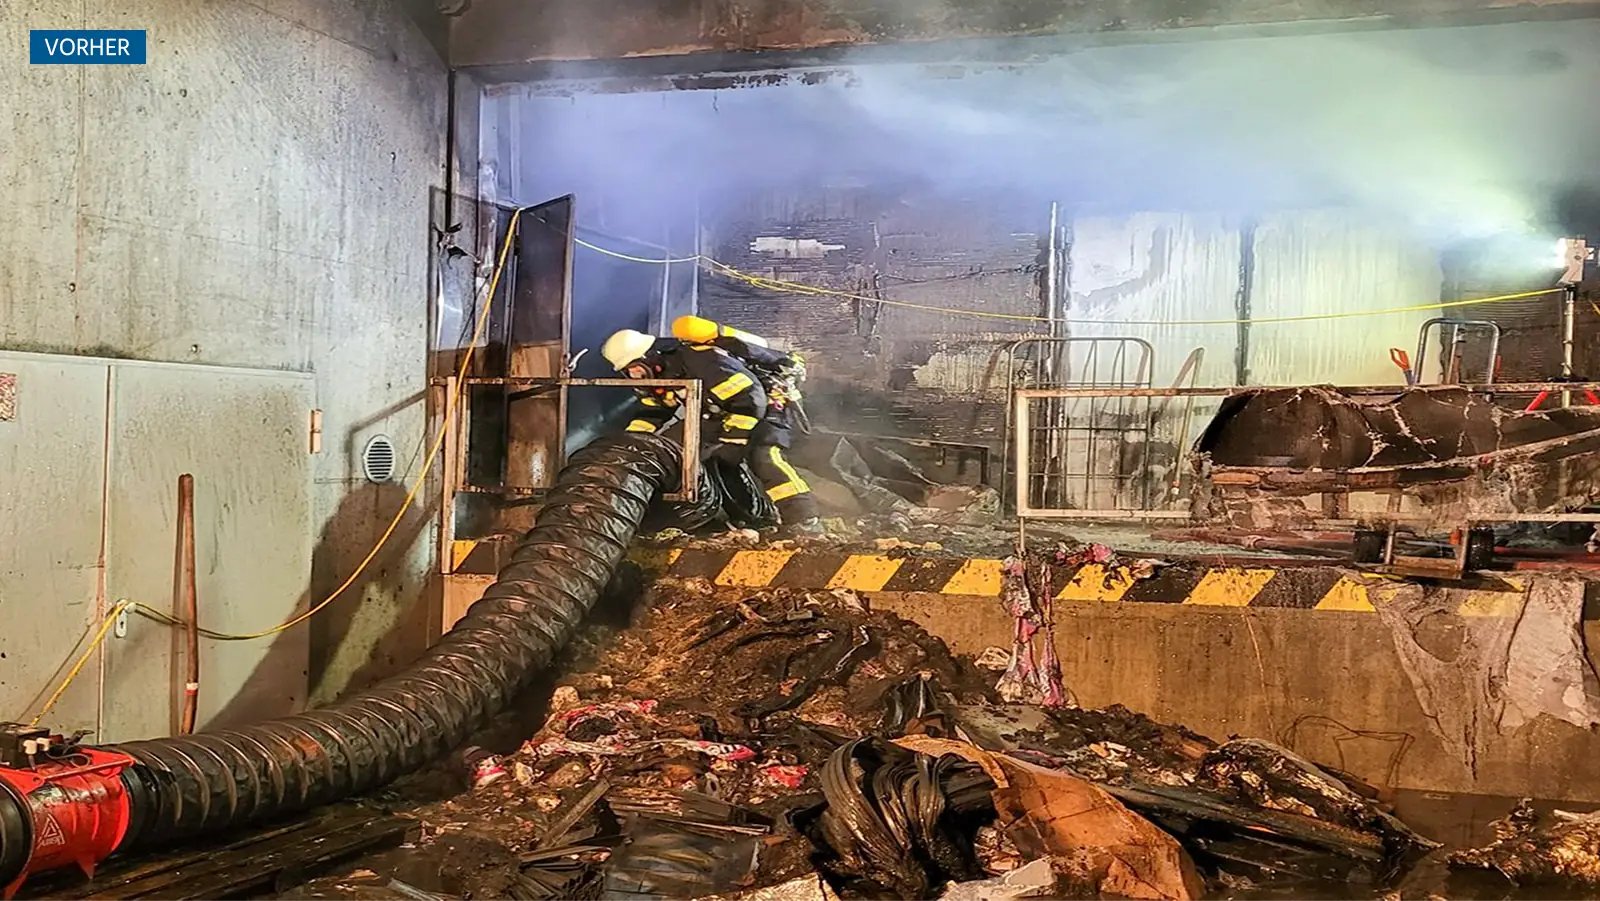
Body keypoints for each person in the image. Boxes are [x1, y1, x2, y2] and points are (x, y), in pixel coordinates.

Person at [671, 316, 821, 534]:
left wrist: (734, 438)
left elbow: (749, 399)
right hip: (755, 406)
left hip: (772, 404)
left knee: (765, 456)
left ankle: (804, 517)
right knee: (725, 460)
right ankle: (750, 518)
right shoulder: (703, 355)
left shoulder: (710, 358)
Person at [600, 328, 766, 467]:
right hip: (713, 418)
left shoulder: (703, 361)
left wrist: (733, 440)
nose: (633, 375)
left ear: (649, 357)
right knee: (668, 453)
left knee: (767, 463)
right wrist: (629, 443)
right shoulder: (662, 375)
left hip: (761, 412)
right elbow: (653, 412)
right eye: (628, 371)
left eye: (635, 368)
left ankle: (788, 504)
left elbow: (750, 398)